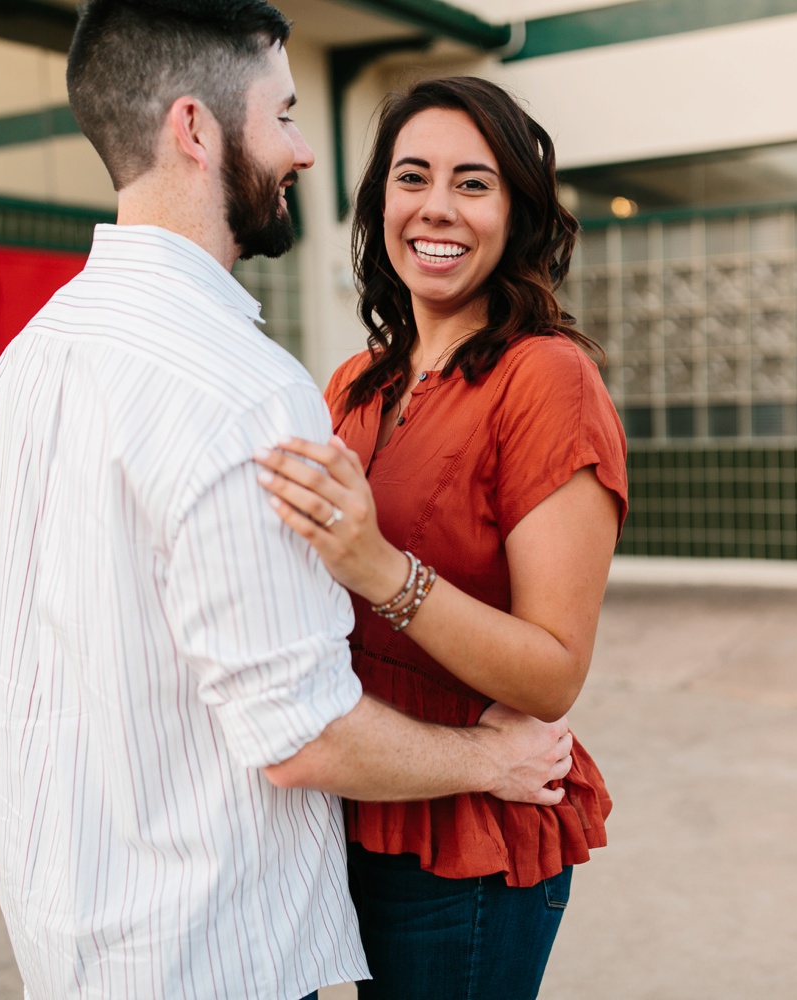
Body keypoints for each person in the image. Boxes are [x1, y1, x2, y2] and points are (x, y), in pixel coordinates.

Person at [0, 6, 576, 999]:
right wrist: (488, 759)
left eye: (474, 182)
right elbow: (303, 735)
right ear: (195, 128)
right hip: (203, 947)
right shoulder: (252, 388)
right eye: (284, 113)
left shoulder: (29, 360)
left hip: (69, 933)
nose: (303, 150)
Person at [254, 76, 628, 999]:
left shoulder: (546, 379)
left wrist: (380, 569)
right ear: (379, 202)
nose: (436, 207)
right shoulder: (355, 382)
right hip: (352, 798)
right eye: (413, 176)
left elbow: (553, 673)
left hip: (467, 839)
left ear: (517, 214)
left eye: (474, 183)